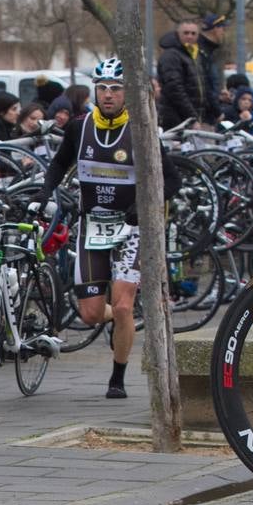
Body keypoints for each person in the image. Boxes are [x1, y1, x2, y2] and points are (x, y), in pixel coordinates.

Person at [37, 58, 180, 400]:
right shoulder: (78, 126)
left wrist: (140, 208)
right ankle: (120, 320)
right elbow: (59, 163)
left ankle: (117, 377)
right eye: (102, 88)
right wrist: (44, 192)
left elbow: (172, 180)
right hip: (92, 226)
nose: (108, 95)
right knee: (89, 314)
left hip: (132, 229)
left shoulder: (142, 130)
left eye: (116, 89)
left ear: (128, 93)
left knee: (123, 306)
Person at [157, 18, 207, 129]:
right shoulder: (171, 55)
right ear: (178, 34)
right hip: (176, 118)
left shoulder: (195, 55)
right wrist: (192, 117)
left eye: (193, 33)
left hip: (191, 117)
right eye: (186, 33)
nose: (190, 36)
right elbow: (175, 88)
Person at [197, 14, 226, 125]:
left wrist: (219, 93)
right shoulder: (202, 52)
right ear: (215, 29)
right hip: (205, 116)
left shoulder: (208, 50)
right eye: (222, 28)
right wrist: (217, 111)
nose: (223, 32)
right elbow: (205, 86)